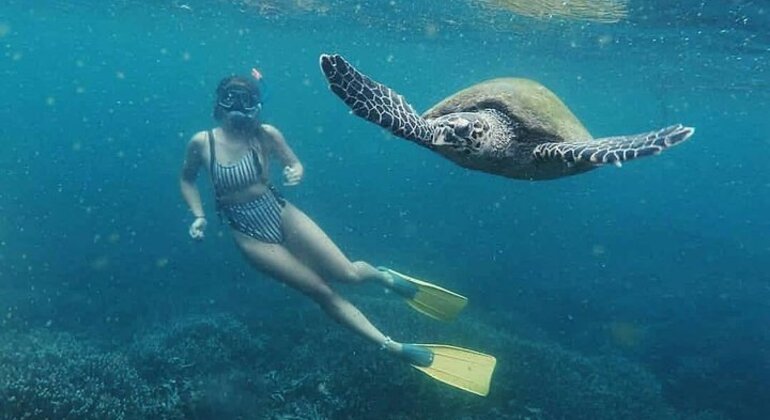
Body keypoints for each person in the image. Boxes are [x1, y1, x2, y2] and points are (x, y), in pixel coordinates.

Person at [179, 70, 496, 396]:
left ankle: (384, 277)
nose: (238, 106)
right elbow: (187, 179)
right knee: (321, 291)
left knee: (347, 272)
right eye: (231, 97)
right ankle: (393, 346)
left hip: (279, 210)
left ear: (257, 104)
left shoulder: (267, 134)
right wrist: (199, 215)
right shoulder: (202, 143)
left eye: (246, 99)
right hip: (247, 232)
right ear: (220, 101)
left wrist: (295, 171)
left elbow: (294, 162)